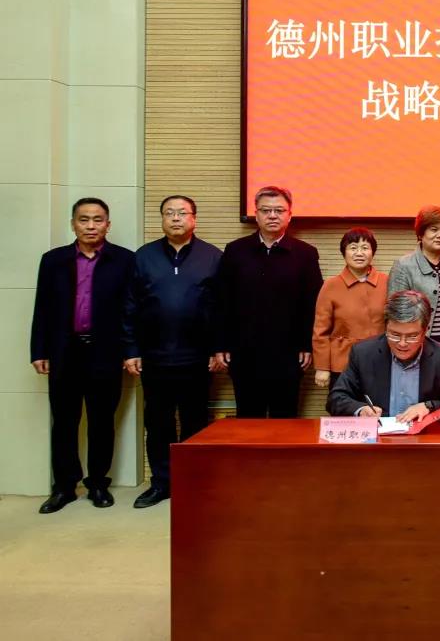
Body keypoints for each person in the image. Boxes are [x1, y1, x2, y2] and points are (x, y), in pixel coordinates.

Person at [30, 198, 134, 513]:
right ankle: (64, 487)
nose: (90, 226)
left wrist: (130, 351)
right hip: (64, 351)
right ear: (73, 223)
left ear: (108, 225)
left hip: (106, 352)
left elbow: (131, 310)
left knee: (102, 421)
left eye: (97, 220)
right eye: (84, 219)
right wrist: (39, 350)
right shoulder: (53, 260)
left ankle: (98, 484)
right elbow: (42, 308)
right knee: (64, 421)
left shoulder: (124, 260)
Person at [121, 195, 222, 508]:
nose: (176, 218)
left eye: (182, 213)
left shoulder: (213, 256)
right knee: (158, 423)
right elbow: (129, 306)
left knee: (196, 423)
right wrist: (131, 349)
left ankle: (193, 483)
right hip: (154, 357)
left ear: (194, 218)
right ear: (162, 219)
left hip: (198, 358)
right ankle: (162, 483)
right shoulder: (143, 256)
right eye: (169, 213)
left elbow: (222, 309)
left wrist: (217, 349)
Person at [214, 185, 322, 418]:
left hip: (288, 354)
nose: (272, 215)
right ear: (256, 214)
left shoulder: (305, 253)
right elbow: (222, 300)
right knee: (248, 418)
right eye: (266, 210)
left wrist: (306, 345)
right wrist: (221, 344)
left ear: (289, 215)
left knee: (285, 419)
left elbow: (312, 304)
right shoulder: (235, 250)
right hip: (244, 352)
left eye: (279, 210)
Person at [327, 290, 440, 420]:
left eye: (412, 336)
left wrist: (430, 406)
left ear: (425, 331)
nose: (402, 344)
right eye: (395, 334)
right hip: (379, 437)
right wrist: (361, 410)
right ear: (386, 327)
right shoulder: (363, 353)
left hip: (424, 438)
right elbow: (335, 399)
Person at [388, 205, 440, 368]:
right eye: (434, 229)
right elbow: (396, 312)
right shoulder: (404, 265)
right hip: (422, 343)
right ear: (421, 234)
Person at [312, 227, 388, 391]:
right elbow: (320, 331)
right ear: (344, 252)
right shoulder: (331, 285)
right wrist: (322, 367)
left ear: (373, 252)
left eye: (365, 248)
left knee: (378, 406)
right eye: (353, 248)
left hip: (380, 361)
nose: (359, 253)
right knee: (342, 405)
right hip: (342, 364)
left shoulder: (387, 282)